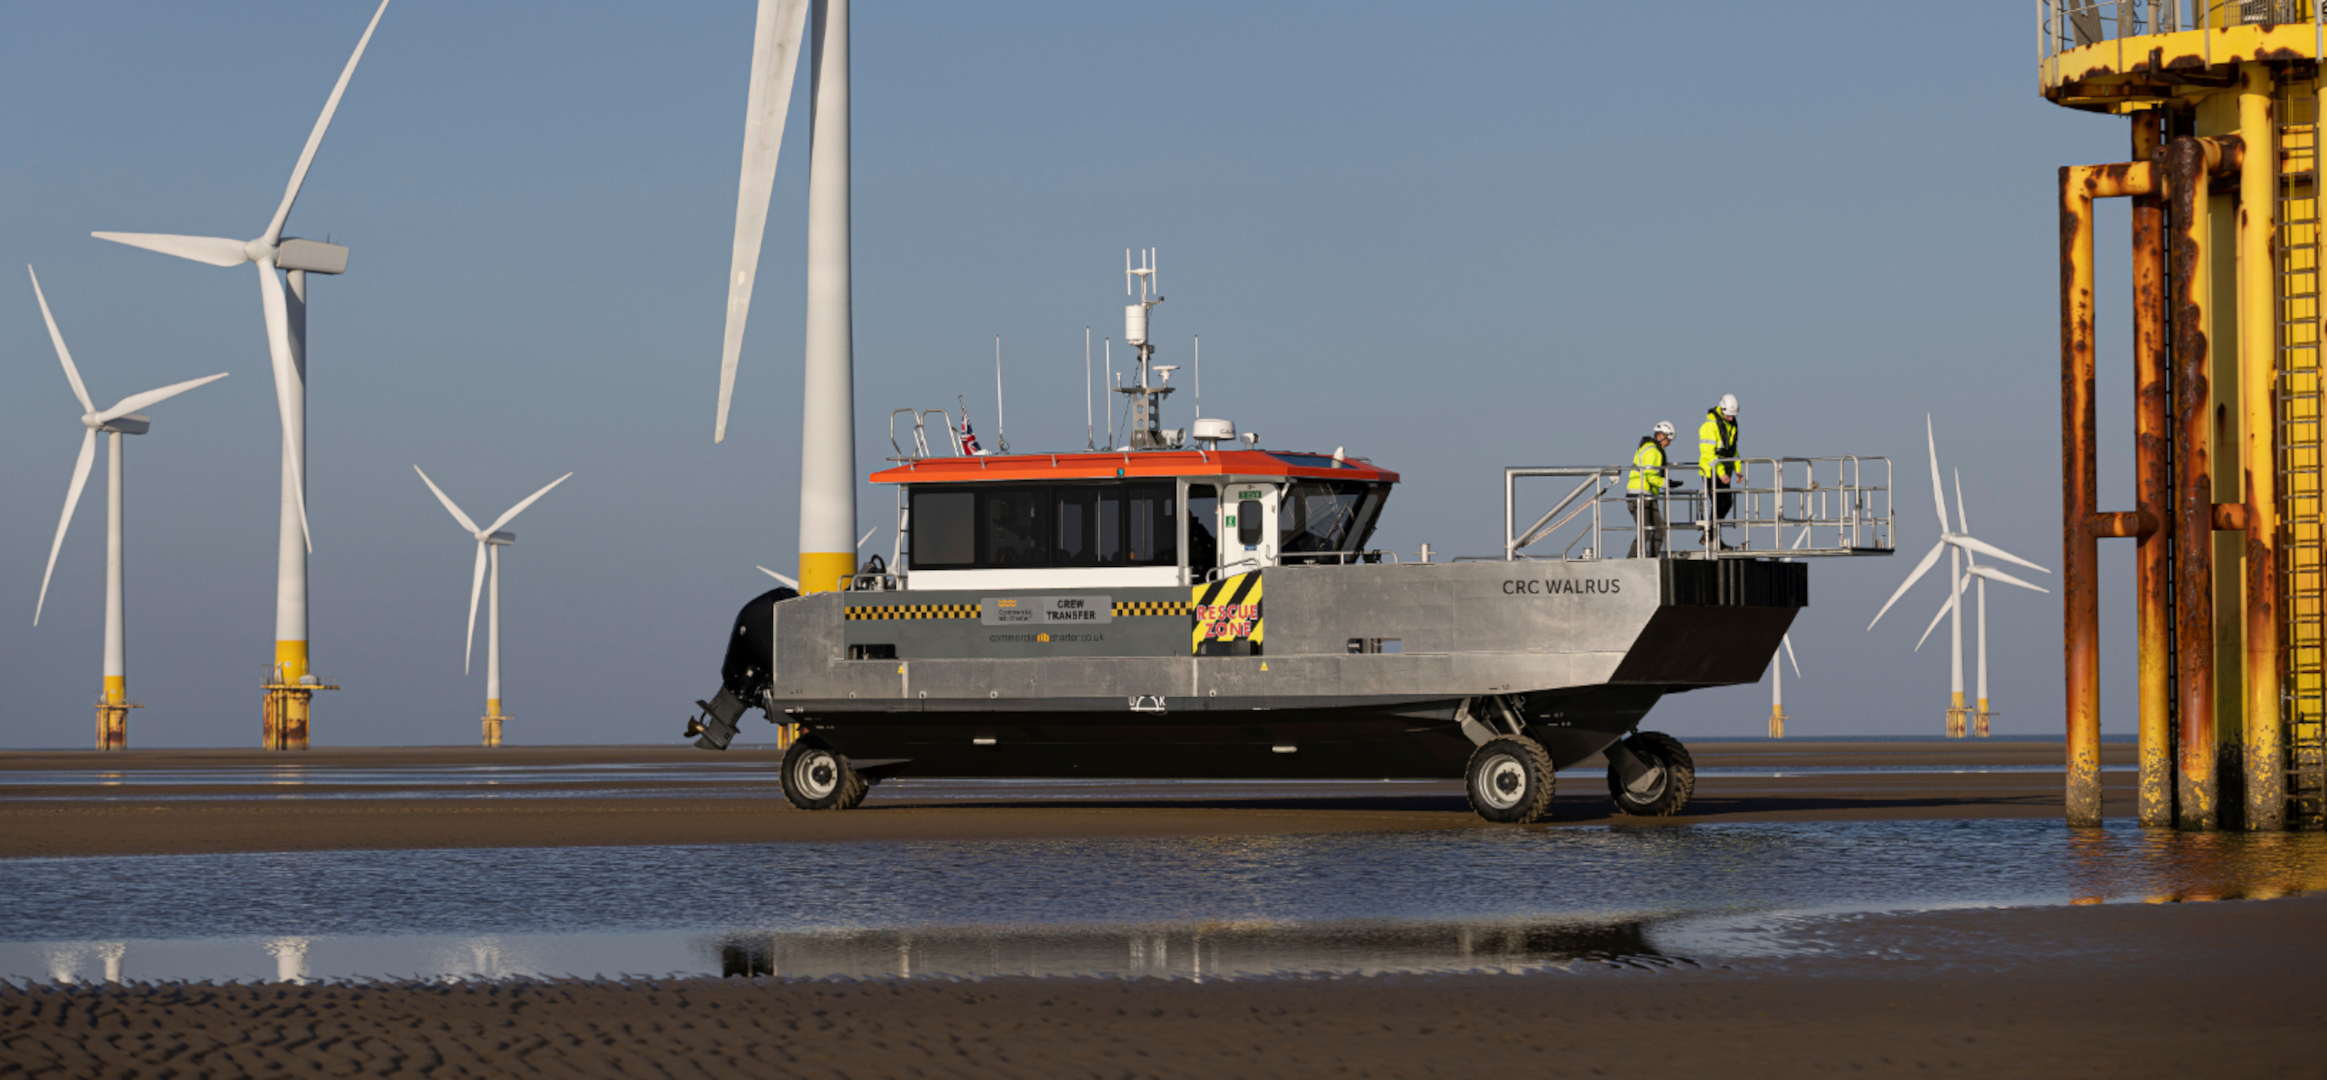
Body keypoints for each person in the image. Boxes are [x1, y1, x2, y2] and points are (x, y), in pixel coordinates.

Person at [1627, 421, 1677, 557]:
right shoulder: (1653, 451)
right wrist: (1667, 483)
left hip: (1643, 494)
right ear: (1662, 436)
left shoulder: (1648, 448)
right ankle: (1631, 561)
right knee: (1647, 531)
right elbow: (1650, 476)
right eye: (1669, 440)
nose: (1669, 444)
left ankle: (1652, 559)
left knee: (1658, 529)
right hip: (1641, 494)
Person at [1699, 394, 1739, 549]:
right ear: (1722, 411)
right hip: (1710, 471)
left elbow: (1732, 450)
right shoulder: (1709, 427)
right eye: (1729, 415)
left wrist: (1738, 468)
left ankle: (1710, 535)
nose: (1731, 418)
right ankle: (1711, 537)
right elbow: (1709, 454)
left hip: (1723, 472)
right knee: (1718, 503)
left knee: (1725, 503)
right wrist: (1721, 472)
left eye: (1733, 416)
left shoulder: (1730, 425)